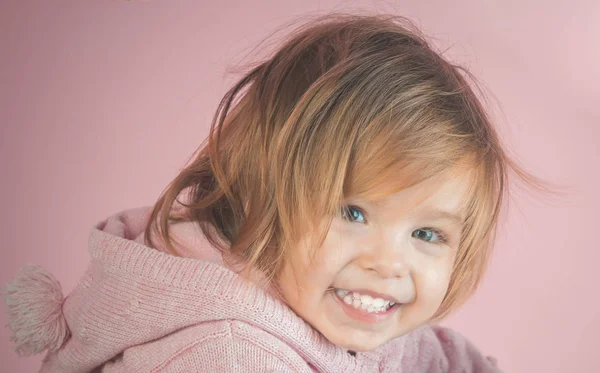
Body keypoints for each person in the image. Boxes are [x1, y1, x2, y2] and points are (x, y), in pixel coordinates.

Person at [2, 12, 546, 372]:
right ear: (261, 193)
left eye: (426, 233)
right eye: (351, 211)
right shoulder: (229, 354)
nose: (388, 263)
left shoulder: (356, 314)